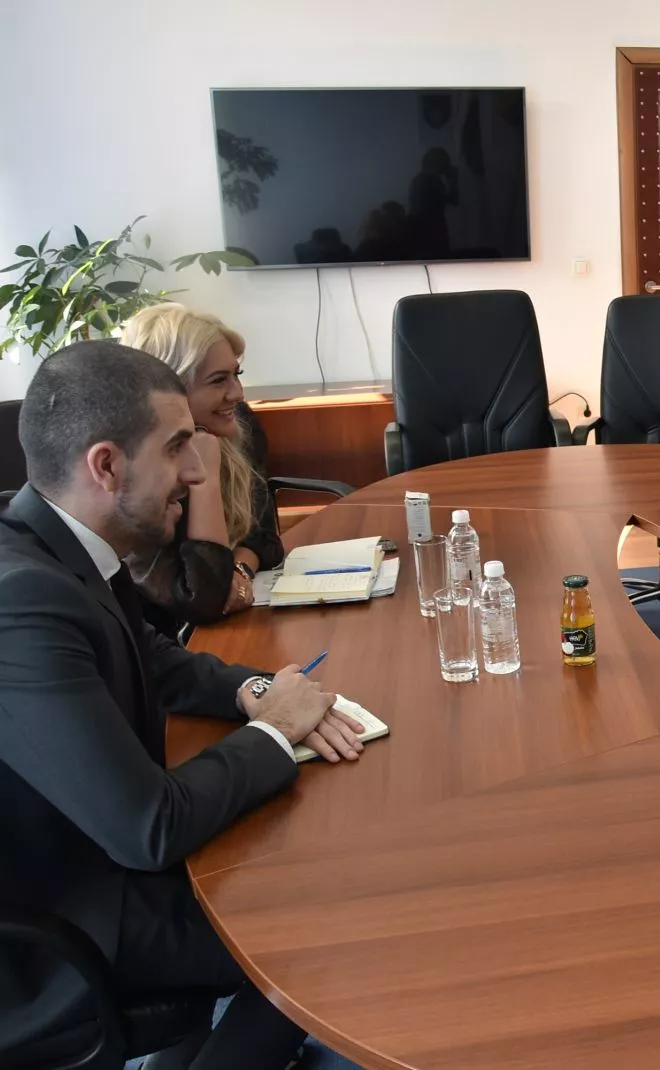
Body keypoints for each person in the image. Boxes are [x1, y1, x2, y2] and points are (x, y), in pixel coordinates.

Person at [0, 341, 368, 1068]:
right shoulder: (23, 602)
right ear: (106, 466)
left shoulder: (59, 543)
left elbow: (150, 653)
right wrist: (276, 731)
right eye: (176, 449)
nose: (198, 472)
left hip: (104, 863)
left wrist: (255, 690)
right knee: (327, 920)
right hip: (74, 917)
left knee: (318, 852)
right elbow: (150, 826)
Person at [120, 303, 284, 639]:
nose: (237, 393)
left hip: (230, 632)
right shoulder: (133, 475)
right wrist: (205, 478)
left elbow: (264, 536)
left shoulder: (233, 427)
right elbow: (203, 599)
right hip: (164, 651)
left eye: (236, 374)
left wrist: (239, 570)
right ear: (170, 389)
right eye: (218, 380)